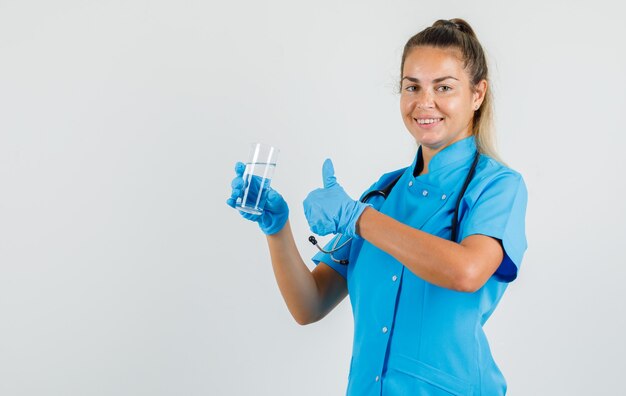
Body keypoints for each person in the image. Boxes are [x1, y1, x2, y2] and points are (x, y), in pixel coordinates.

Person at [227, 18, 527, 396]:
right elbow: (310, 305)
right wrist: (277, 228)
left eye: (444, 87)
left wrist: (358, 218)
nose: (424, 102)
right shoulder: (383, 194)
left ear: (477, 94)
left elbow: (466, 272)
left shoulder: (496, 186)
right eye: (411, 87)